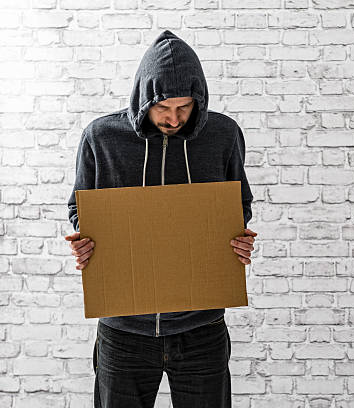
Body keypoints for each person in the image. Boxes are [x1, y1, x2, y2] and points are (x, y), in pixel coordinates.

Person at [65, 29, 257, 408]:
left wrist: (237, 236)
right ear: (143, 99)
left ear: (198, 99)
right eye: (163, 108)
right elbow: (79, 208)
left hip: (201, 327)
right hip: (124, 331)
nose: (174, 118)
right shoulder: (102, 137)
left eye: (184, 107)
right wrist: (85, 240)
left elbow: (240, 203)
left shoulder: (222, 134)